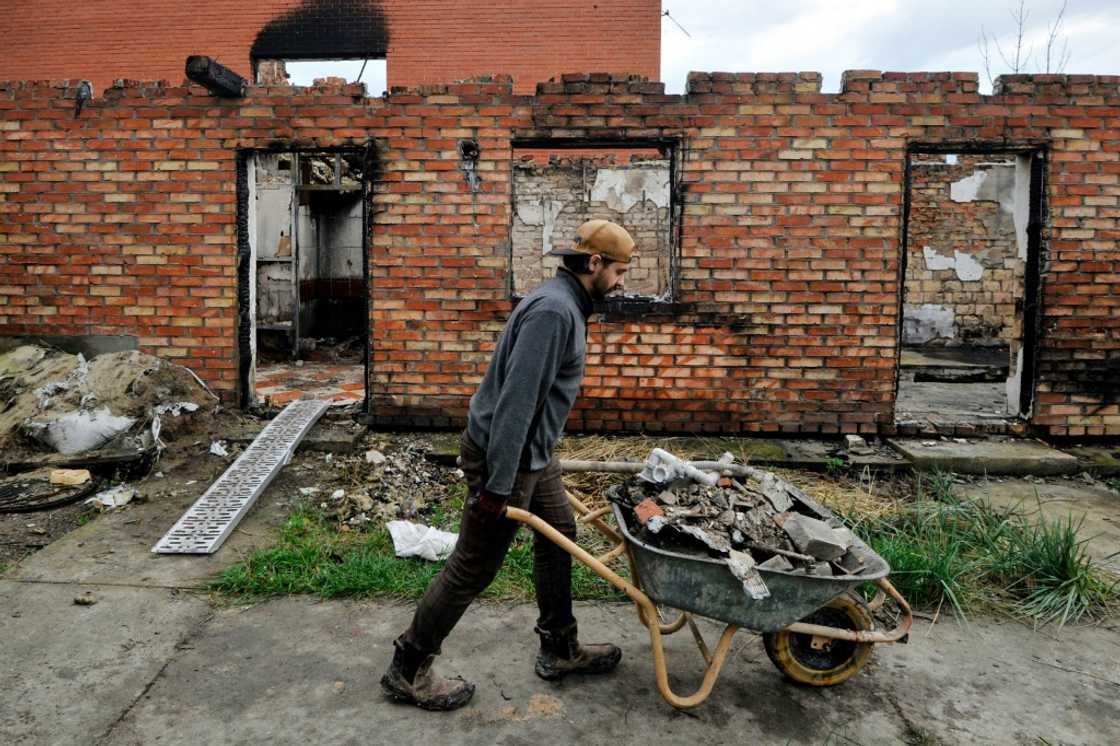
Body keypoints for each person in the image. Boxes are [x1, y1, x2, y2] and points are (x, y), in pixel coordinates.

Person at [381, 219, 635, 711]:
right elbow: (517, 404)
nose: (623, 281)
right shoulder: (555, 314)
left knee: (560, 534)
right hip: (510, 458)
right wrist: (497, 487)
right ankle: (407, 668)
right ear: (596, 264)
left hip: (534, 454)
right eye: (620, 270)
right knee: (473, 567)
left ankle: (559, 648)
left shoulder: (566, 304)